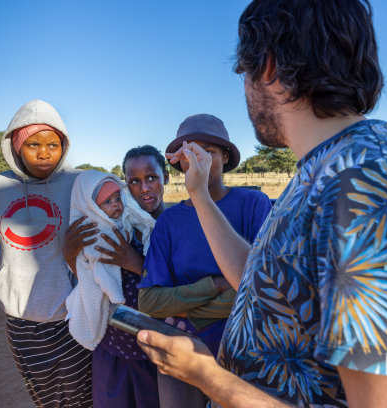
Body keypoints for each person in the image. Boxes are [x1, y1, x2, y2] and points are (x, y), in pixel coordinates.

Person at [136, 1, 387, 407]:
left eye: (243, 73)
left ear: (268, 67)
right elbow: (265, 282)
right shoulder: (323, 170)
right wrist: (200, 196)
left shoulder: (373, 187)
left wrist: (207, 377)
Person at [0, 99, 93, 407]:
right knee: (45, 397)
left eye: (53, 144)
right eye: (32, 144)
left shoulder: (79, 183)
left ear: (64, 145)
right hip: (21, 320)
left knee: (84, 396)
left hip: (73, 314)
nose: (44, 153)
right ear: (16, 147)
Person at [137, 113, 272, 408]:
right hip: (181, 346)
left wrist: (190, 312)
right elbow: (149, 302)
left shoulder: (253, 205)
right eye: (188, 155)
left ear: (225, 157)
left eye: (207, 153)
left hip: (244, 345)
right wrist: (215, 284)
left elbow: (264, 292)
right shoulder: (170, 222)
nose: (197, 163)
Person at [63, 145, 168, 408]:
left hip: (156, 348)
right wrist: (69, 253)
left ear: (166, 177)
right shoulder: (107, 226)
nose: (144, 188)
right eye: (134, 181)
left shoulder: (173, 224)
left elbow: (181, 286)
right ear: (124, 185)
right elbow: (89, 281)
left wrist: (136, 263)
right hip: (113, 347)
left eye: (152, 178)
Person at [65, 171, 154, 351]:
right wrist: (69, 254)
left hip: (146, 332)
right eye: (107, 202)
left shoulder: (131, 220)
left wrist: (137, 262)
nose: (115, 205)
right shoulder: (90, 229)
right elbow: (87, 265)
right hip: (112, 338)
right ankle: (113, 292)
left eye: (117, 199)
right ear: (93, 207)